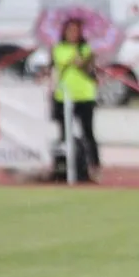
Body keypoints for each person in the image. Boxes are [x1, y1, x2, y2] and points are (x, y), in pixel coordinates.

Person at [51, 18, 101, 182]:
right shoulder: (59, 48)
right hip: (64, 96)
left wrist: (86, 58)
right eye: (70, 30)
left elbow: (88, 68)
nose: (73, 34)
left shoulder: (86, 48)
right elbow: (64, 62)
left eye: (76, 31)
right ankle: (65, 166)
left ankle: (94, 166)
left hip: (85, 95)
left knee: (88, 132)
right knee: (64, 133)